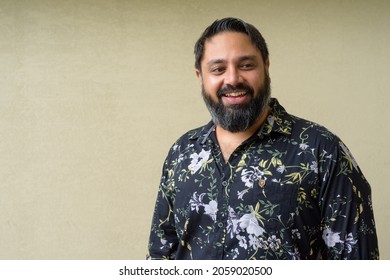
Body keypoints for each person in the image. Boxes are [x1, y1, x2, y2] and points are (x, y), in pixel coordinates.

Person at [147, 17, 379, 260]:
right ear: (200, 77)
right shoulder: (182, 153)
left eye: (246, 65)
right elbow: (160, 254)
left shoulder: (322, 150)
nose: (233, 79)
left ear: (266, 67)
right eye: (218, 69)